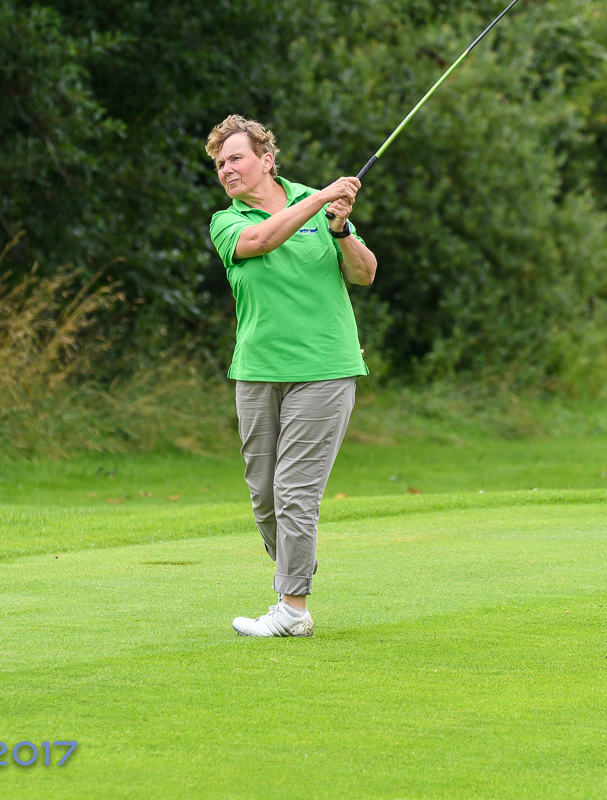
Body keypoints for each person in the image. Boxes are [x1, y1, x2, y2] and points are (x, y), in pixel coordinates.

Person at [205, 114, 377, 637]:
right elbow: (261, 241)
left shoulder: (319, 207)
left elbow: (365, 273)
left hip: (324, 369)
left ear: (266, 160)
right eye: (220, 163)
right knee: (264, 496)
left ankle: (293, 608)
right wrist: (321, 200)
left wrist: (340, 230)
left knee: (294, 492)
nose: (226, 169)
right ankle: (294, 578)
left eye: (235, 158)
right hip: (258, 371)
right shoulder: (227, 221)